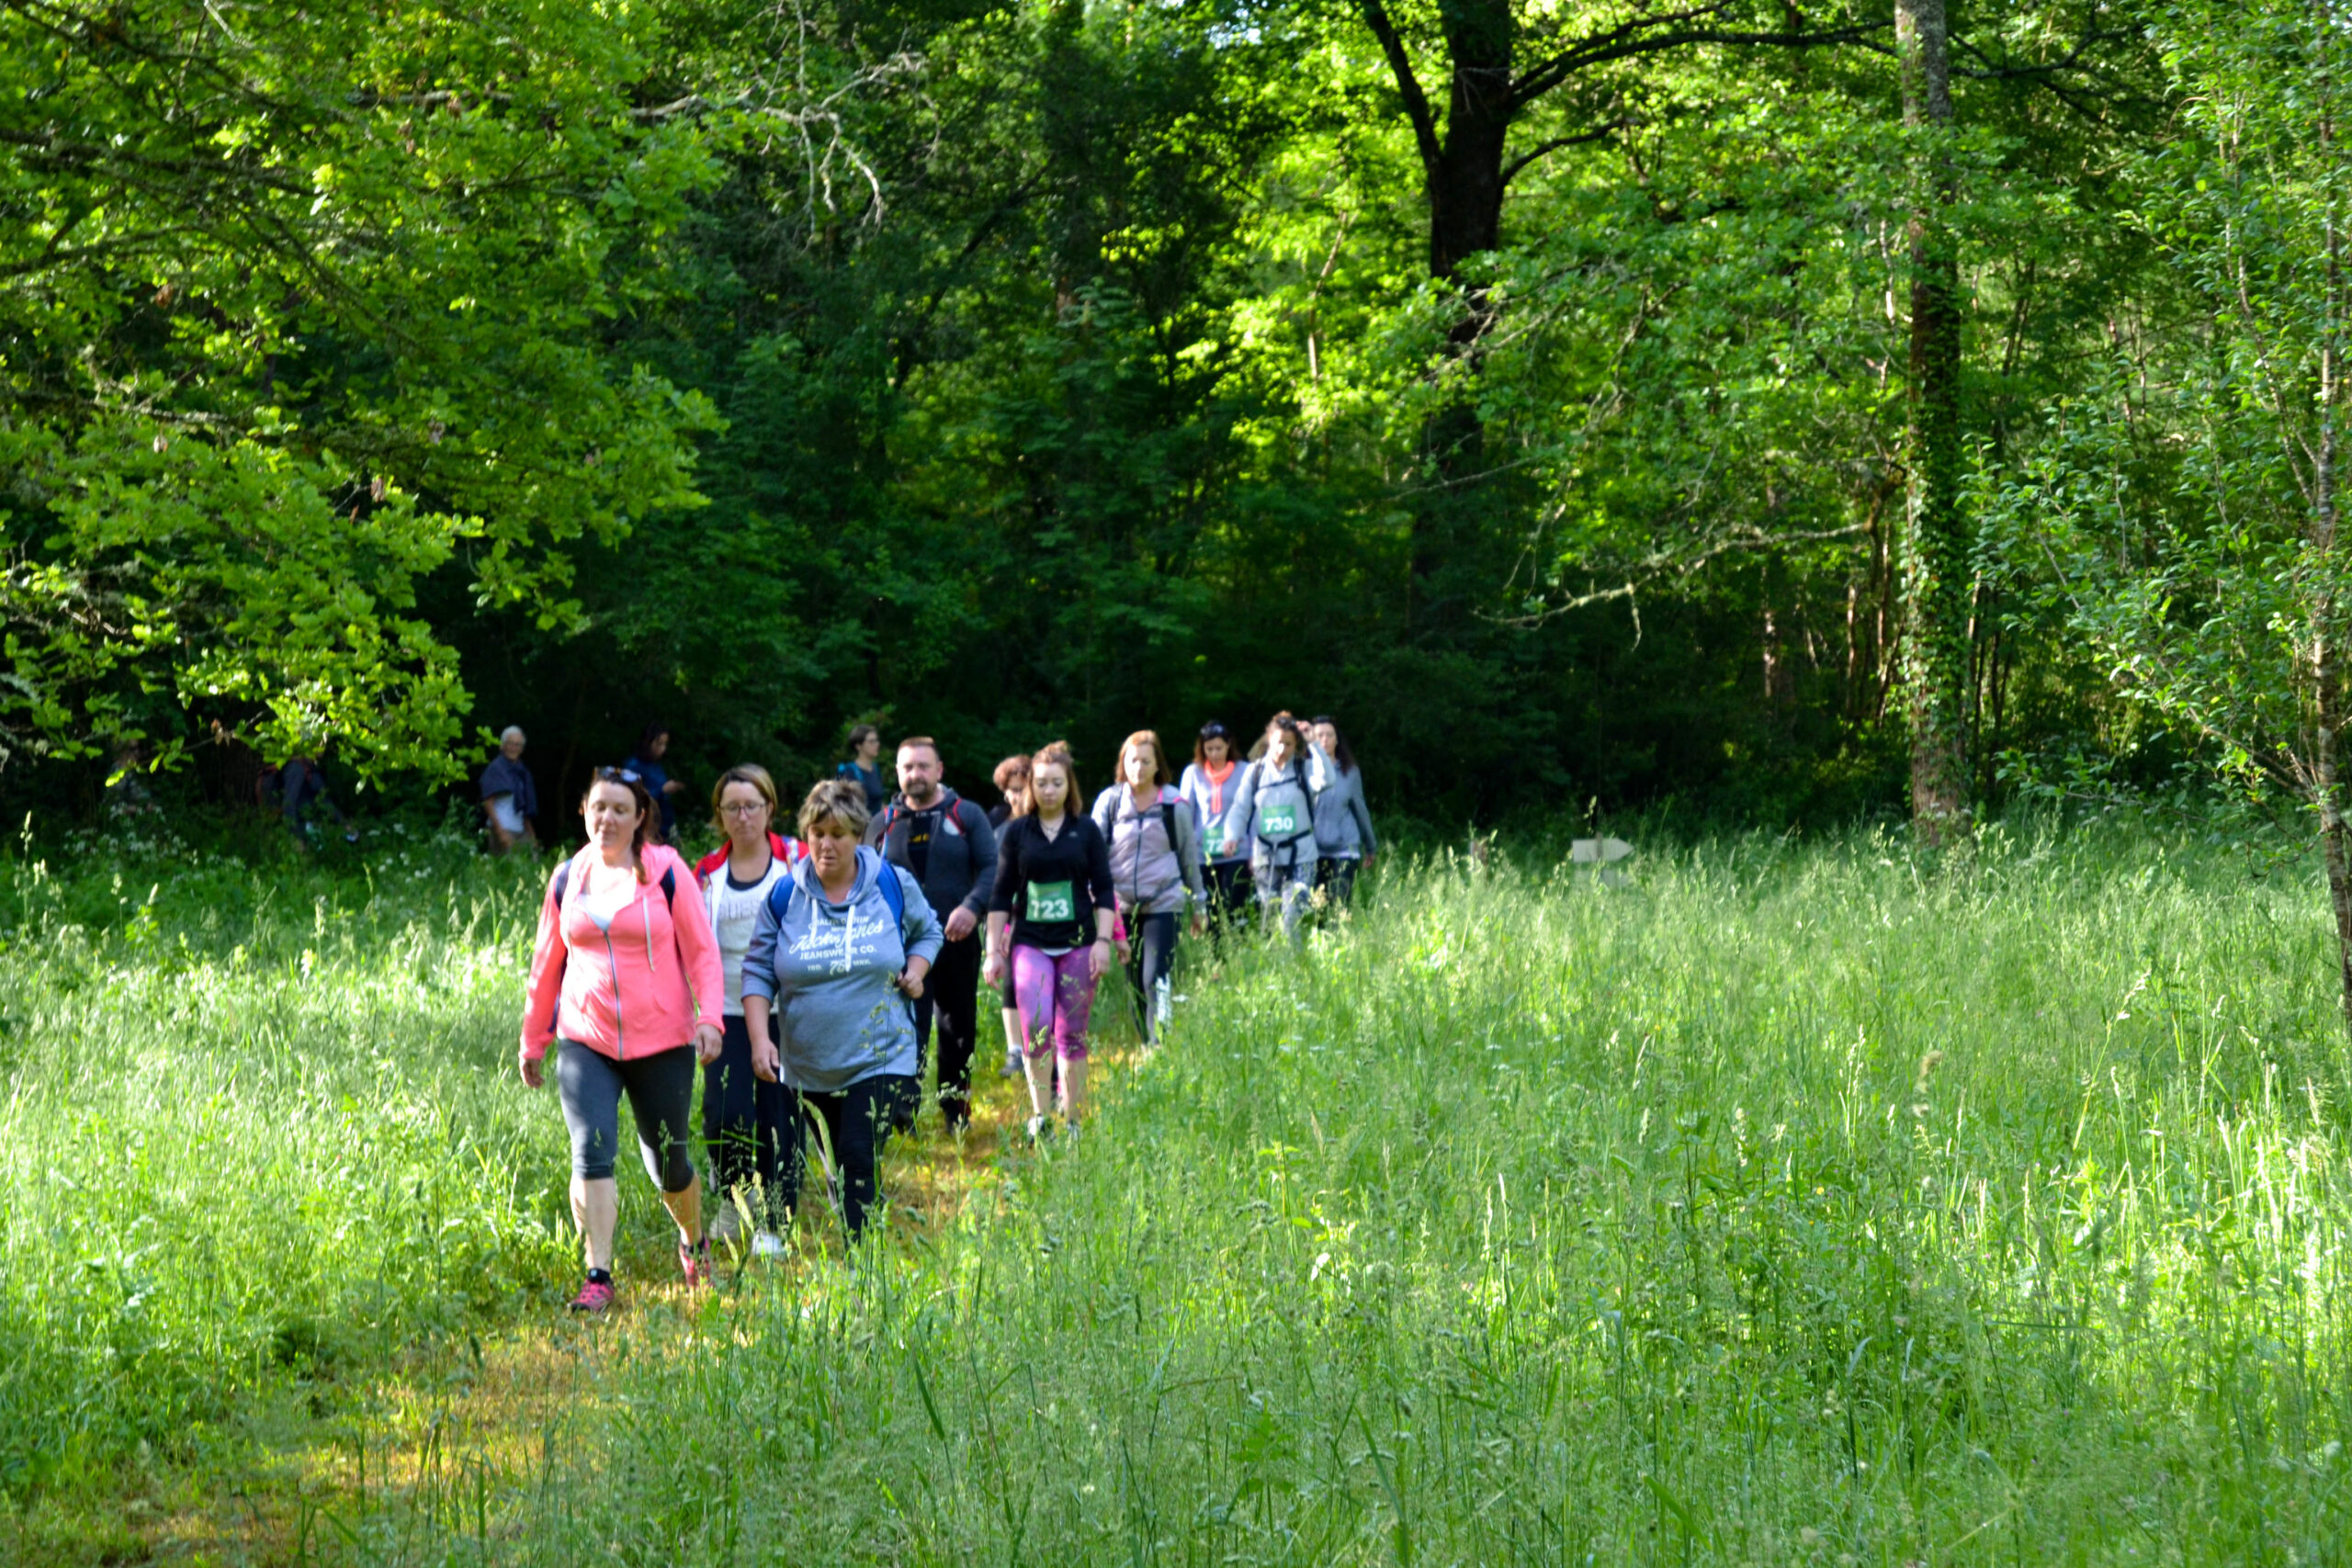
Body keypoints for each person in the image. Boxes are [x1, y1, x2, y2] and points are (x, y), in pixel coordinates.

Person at [518, 770, 725, 1313]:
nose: (606, 818)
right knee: (591, 1149)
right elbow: (547, 963)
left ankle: (692, 1238)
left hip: (663, 1039)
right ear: (585, 811)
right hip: (585, 1037)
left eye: (619, 809)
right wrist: (532, 1039)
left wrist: (711, 1019)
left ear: (639, 819)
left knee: (669, 1163)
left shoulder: (667, 872)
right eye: (598, 808)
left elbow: (702, 952)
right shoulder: (568, 878)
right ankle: (599, 1273)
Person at [741, 778, 941, 1245]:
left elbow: (928, 930)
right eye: (817, 833)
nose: (826, 844)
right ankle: (856, 1213)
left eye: (839, 834)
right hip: (808, 1064)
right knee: (840, 1162)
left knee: (857, 1151)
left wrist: (916, 968)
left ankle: (862, 1269)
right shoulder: (784, 895)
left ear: (858, 837)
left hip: (881, 1053)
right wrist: (759, 1039)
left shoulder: (890, 884)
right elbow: (756, 971)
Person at [693, 766, 805, 1258]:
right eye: (732, 807)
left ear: (770, 808)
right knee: (724, 1113)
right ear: (720, 815)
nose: (743, 817)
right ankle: (735, 1197)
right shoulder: (705, 873)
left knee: (779, 1118)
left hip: (788, 1009)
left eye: (752, 806)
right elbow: (693, 945)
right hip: (725, 1011)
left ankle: (773, 1223)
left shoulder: (796, 861)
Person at [985, 742, 1115, 1140]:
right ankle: (1041, 1117)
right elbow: (1001, 892)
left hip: (1078, 943)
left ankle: (1072, 1119)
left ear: (1068, 785)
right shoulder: (1017, 832)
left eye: (1056, 783)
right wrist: (992, 951)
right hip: (1031, 944)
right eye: (1040, 783)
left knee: (1071, 1033)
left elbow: (1105, 890)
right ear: (1030, 787)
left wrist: (1104, 941)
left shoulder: (1086, 829)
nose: (1048, 791)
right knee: (1037, 1027)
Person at [866, 738, 998, 1133]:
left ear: (939, 770)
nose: (915, 775)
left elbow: (993, 867)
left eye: (923, 767)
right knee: (905, 1028)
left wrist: (972, 907)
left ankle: (955, 1111)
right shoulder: (883, 822)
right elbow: (862, 880)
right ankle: (903, 1111)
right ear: (897, 773)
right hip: (900, 948)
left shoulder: (966, 815)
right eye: (907, 767)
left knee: (957, 1027)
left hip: (956, 940)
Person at [1089, 731, 1205, 1046]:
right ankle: (1144, 1042)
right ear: (1122, 763)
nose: (1138, 767)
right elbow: (1092, 853)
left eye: (1145, 761)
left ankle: (1159, 1045)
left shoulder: (1174, 805)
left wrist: (1200, 906)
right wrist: (1091, 896)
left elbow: (1189, 858)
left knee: (1156, 977)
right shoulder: (1109, 802)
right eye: (1132, 760)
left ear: (1157, 766)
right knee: (1134, 982)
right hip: (1120, 905)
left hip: (1164, 902)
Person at [1226, 714, 1324, 942]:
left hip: (1301, 856)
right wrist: (1232, 836)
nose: (1282, 748)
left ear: (1295, 745)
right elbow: (1240, 807)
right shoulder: (1255, 772)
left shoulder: (1303, 768)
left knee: (1291, 918)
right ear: (1269, 739)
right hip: (1266, 857)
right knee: (1270, 920)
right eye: (1278, 742)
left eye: (1288, 744)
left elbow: (1325, 780)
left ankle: (1295, 970)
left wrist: (1314, 744)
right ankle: (1274, 972)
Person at [1180, 722, 1250, 938]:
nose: (1214, 753)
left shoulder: (1244, 770)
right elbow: (1184, 814)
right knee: (1208, 913)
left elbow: (1250, 810)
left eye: (1219, 748)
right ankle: (1215, 960)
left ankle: (1236, 955)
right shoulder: (1193, 773)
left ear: (1229, 745)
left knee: (1233, 909)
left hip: (1237, 852)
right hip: (1203, 855)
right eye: (1209, 749)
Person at [989, 754, 1032, 1078]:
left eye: (1019, 788)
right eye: (1009, 790)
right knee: (1012, 983)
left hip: (1039, 915)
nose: (1012, 796)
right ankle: (1015, 1050)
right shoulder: (999, 825)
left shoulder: (1043, 824)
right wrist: (1002, 925)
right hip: (1007, 914)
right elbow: (997, 881)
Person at [1308, 716, 1377, 908]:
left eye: (1330, 735)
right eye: (1319, 735)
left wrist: (1370, 846)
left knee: (1339, 905)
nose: (1325, 740)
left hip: (1345, 849)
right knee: (1317, 909)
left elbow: (1360, 809)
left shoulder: (1350, 771)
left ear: (1337, 739)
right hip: (1314, 851)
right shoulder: (1305, 771)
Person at [480, 727, 540, 854]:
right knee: (509, 870)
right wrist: (500, 832)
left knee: (533, 863)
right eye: (510, 743)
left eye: (518, 744)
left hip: (521, 830)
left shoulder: (522, 772)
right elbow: (488, 802)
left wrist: (532, 836)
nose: (514, 747)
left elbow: (523, 807)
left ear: (522, 749)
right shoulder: (495, 769)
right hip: (502, 829)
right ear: (502, 745)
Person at [274, 755, 356, 848]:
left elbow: (324, 801)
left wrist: (344, 823)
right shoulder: (296, 769)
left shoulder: (311, 768)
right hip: (301, 827)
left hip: (314, 825)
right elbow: (288, 805)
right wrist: (297, 837)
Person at [622, 722, 685, 841]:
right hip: (645, 828)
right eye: (659, 744)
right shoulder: (633, 766)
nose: (663, 749)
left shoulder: (657, 766)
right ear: (648, 742)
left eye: (665, 744)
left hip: (665, 826)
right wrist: (661, 790)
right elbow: (632, 797)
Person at [835, 724, 888, 817]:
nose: (877, 744)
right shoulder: (849, 771)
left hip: (877, 826)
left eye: (876, 740)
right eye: (871, 741)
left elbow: (878, 802)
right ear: (858, 746)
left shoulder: (875, 769)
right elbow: (843, 806)